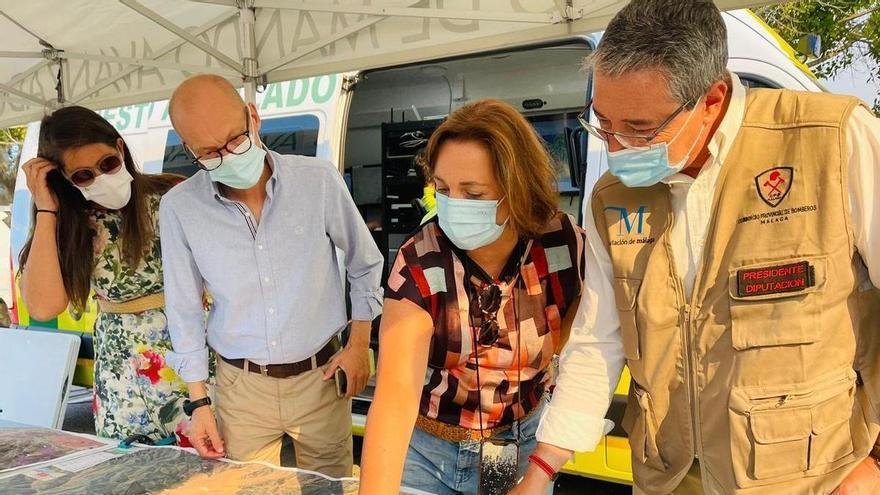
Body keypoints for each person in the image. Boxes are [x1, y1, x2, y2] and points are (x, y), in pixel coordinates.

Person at [513, 1, 880, 494]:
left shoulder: (832, 141)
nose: (617, 147)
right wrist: (540, 472)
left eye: (640, 128)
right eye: (602, 122)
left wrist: (874, 459)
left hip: (815, 476)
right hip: (671, 476)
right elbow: (599, 339)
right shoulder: (613, 199)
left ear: (712, 99)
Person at [160, 74, 384, 477]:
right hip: (240, 386)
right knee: (246, 488)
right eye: (210, 153)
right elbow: (184, 309)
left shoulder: (317, 180)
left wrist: (359, 343)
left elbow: (365, 262)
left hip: (321, 376)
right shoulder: (179, 208)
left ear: (253, 117)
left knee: (329, 487)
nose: (228, 157)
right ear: (190, 151)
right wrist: (198, 403)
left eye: (236, 140)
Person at [358, 99, 585, 494]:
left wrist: (539, 472)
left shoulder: (563, 247)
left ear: (518, 190)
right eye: (443, 189)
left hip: (516, 446)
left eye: (474, 194)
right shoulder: (421, 262)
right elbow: (395, 400)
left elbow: (581, 353)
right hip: (429, 452)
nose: (454, 205)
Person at [19, 106, 190, 444]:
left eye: (108, 163)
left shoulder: (172, 194)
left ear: (121, 149)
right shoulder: (69, 223)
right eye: (83, 175)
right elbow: (43, 307)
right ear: (64, 180)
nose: (101, 177)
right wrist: (47, 207)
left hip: (190, 358)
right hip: (121, 375)